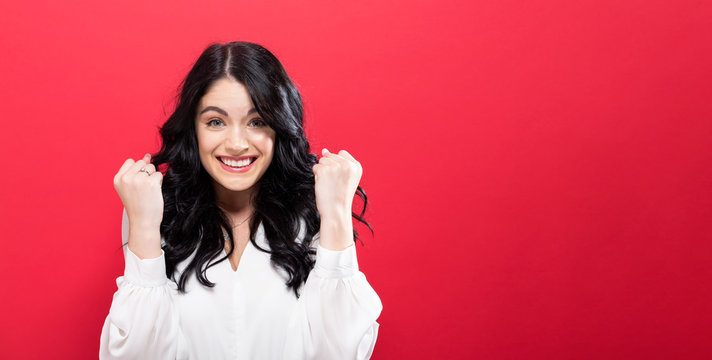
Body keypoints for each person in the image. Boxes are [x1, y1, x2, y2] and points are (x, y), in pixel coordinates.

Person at [99, 41, 382, 359]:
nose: (236, 143)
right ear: (194, 128)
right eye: (215, 122)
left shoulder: (316, 209)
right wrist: (145, 228)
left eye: (257, 121)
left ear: (279, 126)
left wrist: (336, 215)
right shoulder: (155, 210)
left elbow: (338, 353)